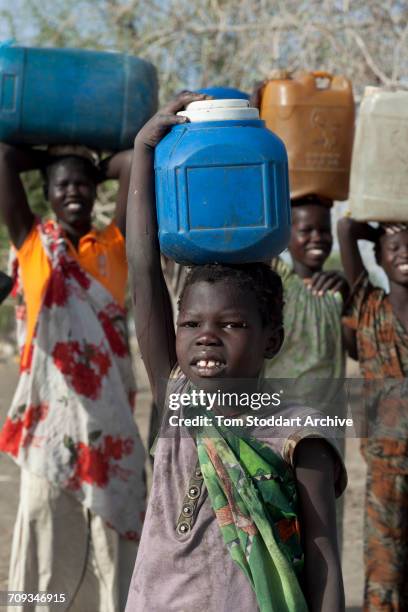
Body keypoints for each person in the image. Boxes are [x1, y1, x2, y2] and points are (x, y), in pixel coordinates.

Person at [125, 92, 347, 612]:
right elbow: (143, 272)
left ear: (272, 338)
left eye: (231, 324)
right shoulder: (175, 396)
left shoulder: (302, 435)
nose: (207, 336)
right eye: (192, 323)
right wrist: (141, 152)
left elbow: (325, 565)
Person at [0, 143, 145, 612]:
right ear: (47, 194)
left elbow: (130, 162)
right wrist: (48, 159)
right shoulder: (32, 244)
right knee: (43, 526)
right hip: (49, 429)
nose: (75, 192)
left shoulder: (113, 246)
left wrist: (98, 167)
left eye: (83, 183)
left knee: (111, 532)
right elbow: (1, 157)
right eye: (63, 185)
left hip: (110, 425)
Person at [338, 217, 408, 611]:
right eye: (395, 249)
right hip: (384, 471)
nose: (404, 254)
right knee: (384, 577)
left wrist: (394, 236)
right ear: (379, 256)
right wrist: (387, 229)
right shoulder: (367, 307)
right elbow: (346, 228)